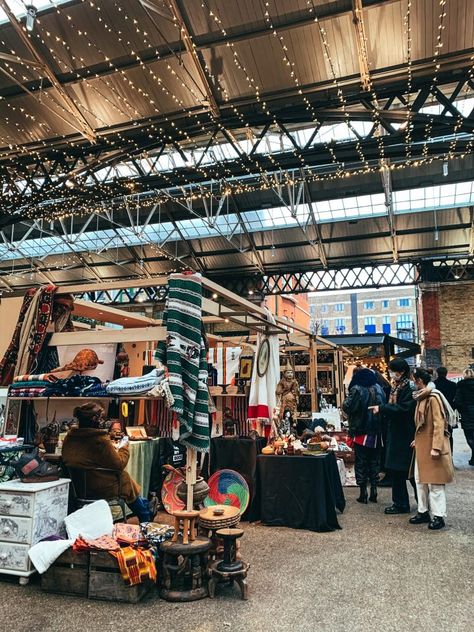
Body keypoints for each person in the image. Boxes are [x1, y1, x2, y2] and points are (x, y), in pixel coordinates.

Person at [62, 402, 152, 522]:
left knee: (125, 479)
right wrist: (124, 447)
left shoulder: (69, 438)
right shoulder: (99, 440)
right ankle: (145, 514)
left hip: (78, 487)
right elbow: (119, 464)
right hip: (100, 488)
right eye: (102, 418)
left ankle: (146, 506)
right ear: (95, 419)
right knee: (124, 477)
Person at [409, 368, 454, 530]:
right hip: (423, 446)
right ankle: (423, 511)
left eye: (414, 379)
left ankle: (439, 516)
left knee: (435, 483)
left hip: (432, 447)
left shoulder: (432, 397)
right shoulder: (423, 396)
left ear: (419, 380)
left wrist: (436, 447)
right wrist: (417, 439)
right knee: (420, 481)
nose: (413, 382)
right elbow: (423, 424)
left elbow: (439, 423)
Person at [370, 358, 416, 515]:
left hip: (404, 434)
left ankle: (421, 504)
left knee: (408, 472)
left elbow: (404, 409)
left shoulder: (408, 387)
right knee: (398, 472)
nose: (390, 373)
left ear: (401, 371)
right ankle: (401, 503)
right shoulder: (397, 386)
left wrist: (383, 408)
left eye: (392, 370)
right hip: (396, 433)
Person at [342, 368, 386, 504]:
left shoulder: (356, 389)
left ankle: (363, 492)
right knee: (374, 461)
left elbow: (348, 406)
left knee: (361, 462)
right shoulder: (379, 387)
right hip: (377, 430)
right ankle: (374, 490)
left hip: (361, 430)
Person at [434, 367, 457, 453]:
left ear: (437, 373)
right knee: (449, 434)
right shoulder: (453, 385)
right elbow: (456, 399)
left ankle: (439, 452)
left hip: (436, 411)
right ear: (446, 373)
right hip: (448, 412)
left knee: (437, 433)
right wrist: (452, 408)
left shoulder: (433, 384)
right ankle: (450, 455)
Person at [454, 368, 474, 466]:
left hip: (466, 413)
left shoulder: (461, 385)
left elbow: (457, 401)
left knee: (469, 436)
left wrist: (462, 410)